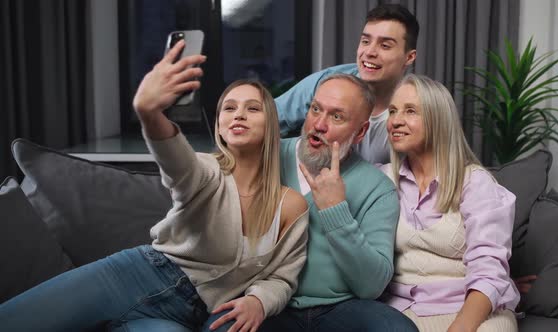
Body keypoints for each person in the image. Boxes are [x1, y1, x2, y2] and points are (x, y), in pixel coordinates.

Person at [0, 39, 309, 332]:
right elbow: (175, 159)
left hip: (192, 313)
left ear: (271, 124)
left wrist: (259, 301)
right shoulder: (205, 170)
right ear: (219, 126)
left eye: (252, 108)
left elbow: (282, 278)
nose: (238, 113)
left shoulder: (291, 204)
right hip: (133, 276)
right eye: (229, 108)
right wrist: (149, 114)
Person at [232, 73, 416, 332]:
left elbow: (372, 286)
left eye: (336, 116)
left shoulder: (377, 188)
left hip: (340, 308)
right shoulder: (266, 157)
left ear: (361, 131)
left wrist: (336, 212)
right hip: (268, 303)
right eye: (315, 109)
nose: (319, 124)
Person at [379, 74, 520, 331]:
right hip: (400, 311)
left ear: (438, 119)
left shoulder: (475, 183)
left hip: (471, 312)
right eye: (392, 111)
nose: (395, 121)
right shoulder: (381, 179)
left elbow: (489, 269)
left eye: (410, 111)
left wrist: (461, 326)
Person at [276, 4, 419, 164]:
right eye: (365, 41)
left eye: (385, 45)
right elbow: (269, 118)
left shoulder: (418, 107)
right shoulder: (328, 82)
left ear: (409, 57)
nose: (369, 52)